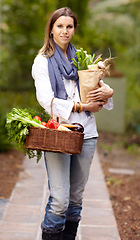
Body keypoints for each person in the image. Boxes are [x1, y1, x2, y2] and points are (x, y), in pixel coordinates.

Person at [32, 7, 113, 240]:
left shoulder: (83, 59)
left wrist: (108, 91)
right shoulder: (42, 62)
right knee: (60, 200)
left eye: (69, 26)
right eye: (60, 26)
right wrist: (82, 107)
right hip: (60, 133)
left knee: (76, 199)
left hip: (86, 133)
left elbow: (98, 93)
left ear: (74, 29)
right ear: (51, 30)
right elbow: (46, 100)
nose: (65, 31)